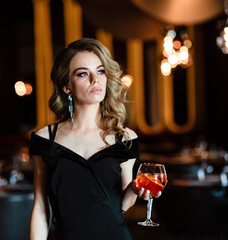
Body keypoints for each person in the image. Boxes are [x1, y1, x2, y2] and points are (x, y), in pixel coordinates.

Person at [29, 38, 160, 240]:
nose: (95, 80)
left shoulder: (125, 137)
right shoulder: (45, 139)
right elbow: (40, 208)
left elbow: (121, 206)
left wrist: (135, 188)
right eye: (83, 74)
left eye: (100, 71)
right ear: (66, 86)